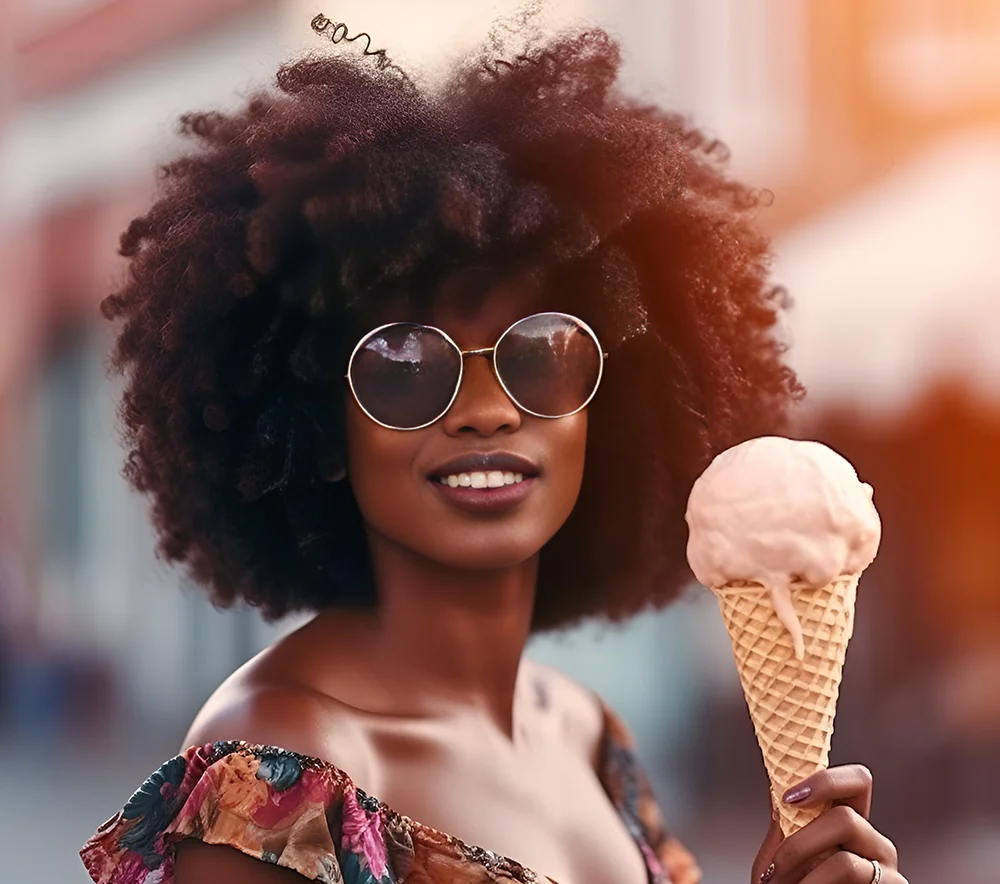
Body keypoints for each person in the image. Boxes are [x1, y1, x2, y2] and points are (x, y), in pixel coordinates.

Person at [80, 12, 906, 884]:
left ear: (614, 401)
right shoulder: (276, 773)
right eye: (405, 365)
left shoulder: (590, 736)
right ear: (317, 418)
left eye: (542, 356)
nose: (485, 410)